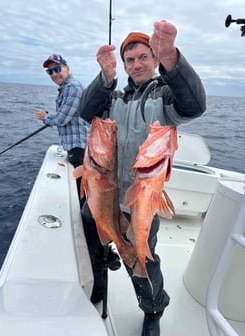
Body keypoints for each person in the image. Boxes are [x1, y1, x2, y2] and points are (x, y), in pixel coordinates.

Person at [78, 20, 206, 336]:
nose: (136, 64)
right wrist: (105, 79)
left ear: (154, 58)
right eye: (130, 60)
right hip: (107, 193)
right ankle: (97, 279)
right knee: (88, 225)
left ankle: (153, 310)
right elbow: (86, 112)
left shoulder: (165, 95)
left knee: (145, 261)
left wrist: (172, 59)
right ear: (123, 65)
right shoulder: (114, 98)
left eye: (144, 57)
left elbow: (194, 105)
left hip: (141, 200)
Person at [36, 54, 90, 208]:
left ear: (67, 68)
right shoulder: (67, 87)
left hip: (79, 148)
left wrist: (46, 118)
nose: (54, 74)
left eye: (57, 69)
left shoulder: (73, 87)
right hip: (77, 147)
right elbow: (66, 118)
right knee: (82, 191)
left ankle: (88, 226)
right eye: (50, 71)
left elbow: (62, 119)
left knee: (83, 194)